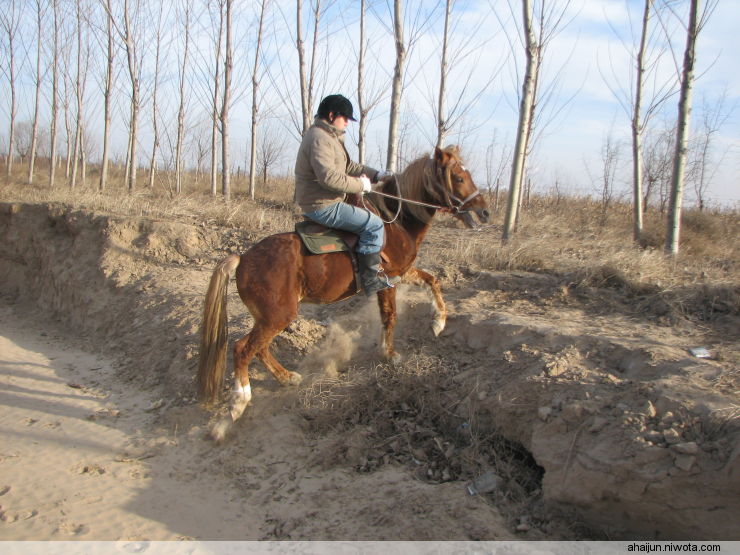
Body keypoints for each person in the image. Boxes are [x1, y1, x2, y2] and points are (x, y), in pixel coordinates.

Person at [294, 94, 396, 296]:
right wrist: (361, 185)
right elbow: (329, 178)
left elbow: (349, 166)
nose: (347, 123)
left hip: (328, 200)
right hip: (322, 205)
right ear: (332, 115)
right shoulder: (319, 139)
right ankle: (370, 280)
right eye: (345, 118)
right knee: (374, 224)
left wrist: (377, 174)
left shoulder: (330, 138)